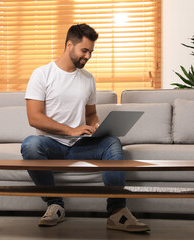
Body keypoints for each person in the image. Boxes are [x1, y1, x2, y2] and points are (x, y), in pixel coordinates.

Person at [21, 23, 150, 232]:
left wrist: (96, 126)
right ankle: (55, 205)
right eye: (84, 50)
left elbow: (91, 114)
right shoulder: (42, 74)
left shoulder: (88, 79)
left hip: (81, 145)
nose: (88, 56)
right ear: (69, 45)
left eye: (91, 51)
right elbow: (34, 118)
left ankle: (117, 213)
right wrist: (70, 130)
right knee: (30, 145)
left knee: (112, 143)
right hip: (51, 144)